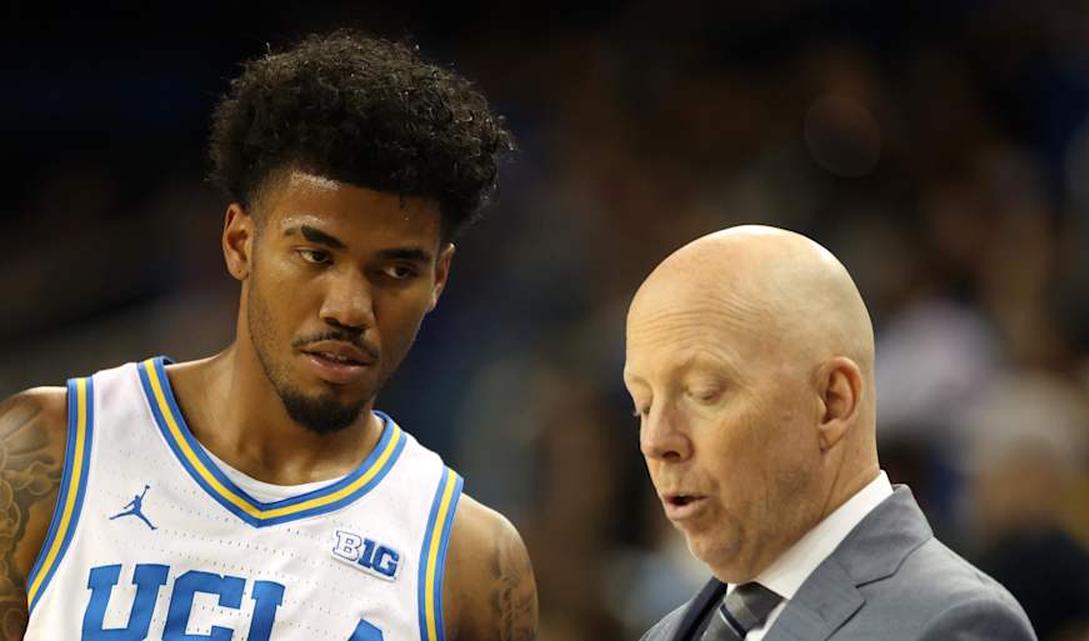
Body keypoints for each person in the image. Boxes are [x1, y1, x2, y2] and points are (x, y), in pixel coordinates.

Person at [0, 30, 537, 641]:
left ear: (438, 279)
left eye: (395, 271)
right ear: (239, 242)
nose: (349, 308)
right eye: (315, 255)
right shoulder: (50, 451)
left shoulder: (469, 563)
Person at [624, 225, 1036, 641]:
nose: (656, 441)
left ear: (832, 401)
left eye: (703, 392)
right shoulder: (664, 634)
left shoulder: (951, 623)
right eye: (642, 405)